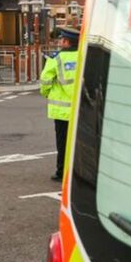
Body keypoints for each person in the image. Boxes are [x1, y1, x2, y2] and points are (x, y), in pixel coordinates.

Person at [40, 27, 79, 182]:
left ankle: (62, 172)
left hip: (62, 111)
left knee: (63, 143)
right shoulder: (84, 55)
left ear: (66, 42)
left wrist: (46, 92)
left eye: (61, 39)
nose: (59, 42)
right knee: (79, 142)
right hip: (81, 109)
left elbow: (45, 81)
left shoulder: (56, 59)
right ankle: (79, 172)